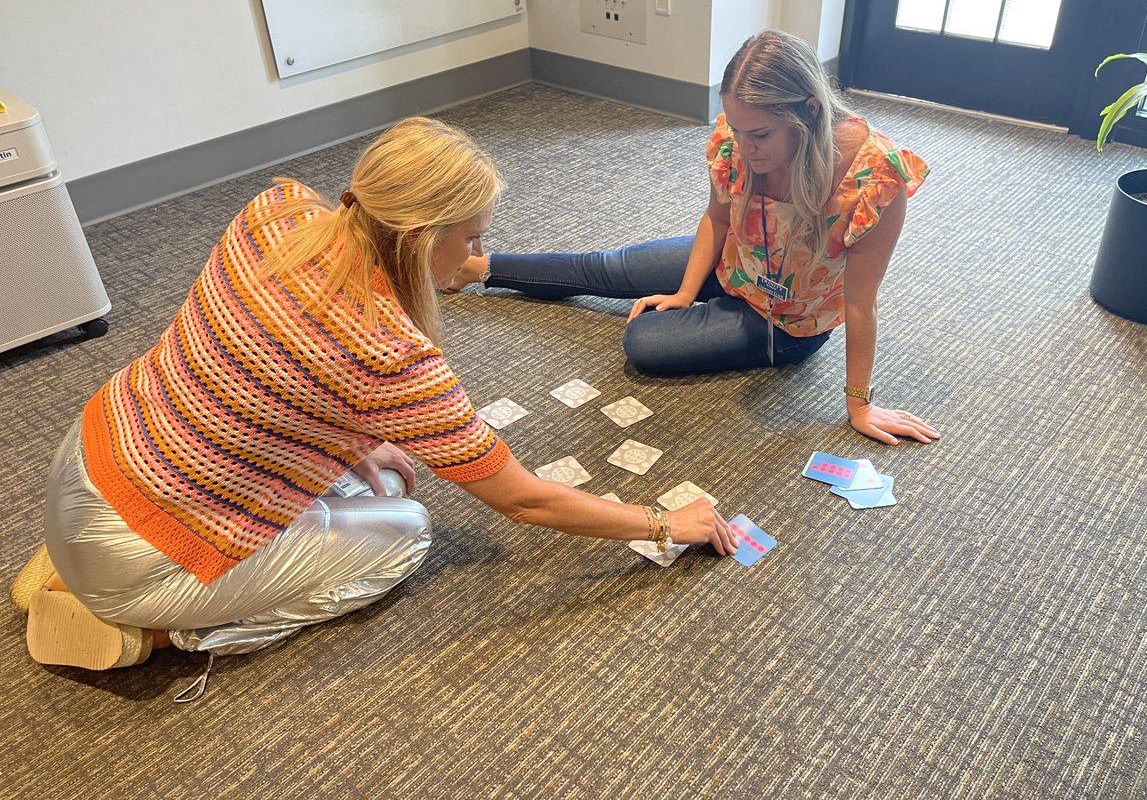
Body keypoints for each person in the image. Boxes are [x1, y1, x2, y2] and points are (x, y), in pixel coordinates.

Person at [10, 116, 736, 679]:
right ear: (421, 241)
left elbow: (259, 361)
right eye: (472, 238)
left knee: (381, 471)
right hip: (143, 555)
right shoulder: (388, 356)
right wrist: (662, 521)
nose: (477, 254)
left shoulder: (279, 207)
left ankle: (74, 568)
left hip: (93, 454)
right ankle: (150, 628)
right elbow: (527, 501)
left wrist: (353, 436)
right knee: (408, 531)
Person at [448, 31, 940, 446]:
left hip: (786, 320)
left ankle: (719, 316)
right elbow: (717, 219)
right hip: (735, 261)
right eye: (739, 131)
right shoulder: (739, 135)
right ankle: (480, 269)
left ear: (809, 111)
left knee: (643, 342)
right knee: (609, 267)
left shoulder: (876, 176)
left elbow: (860, 305)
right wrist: (686, 292)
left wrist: (859, 407)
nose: (745, 149)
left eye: (761, 135)